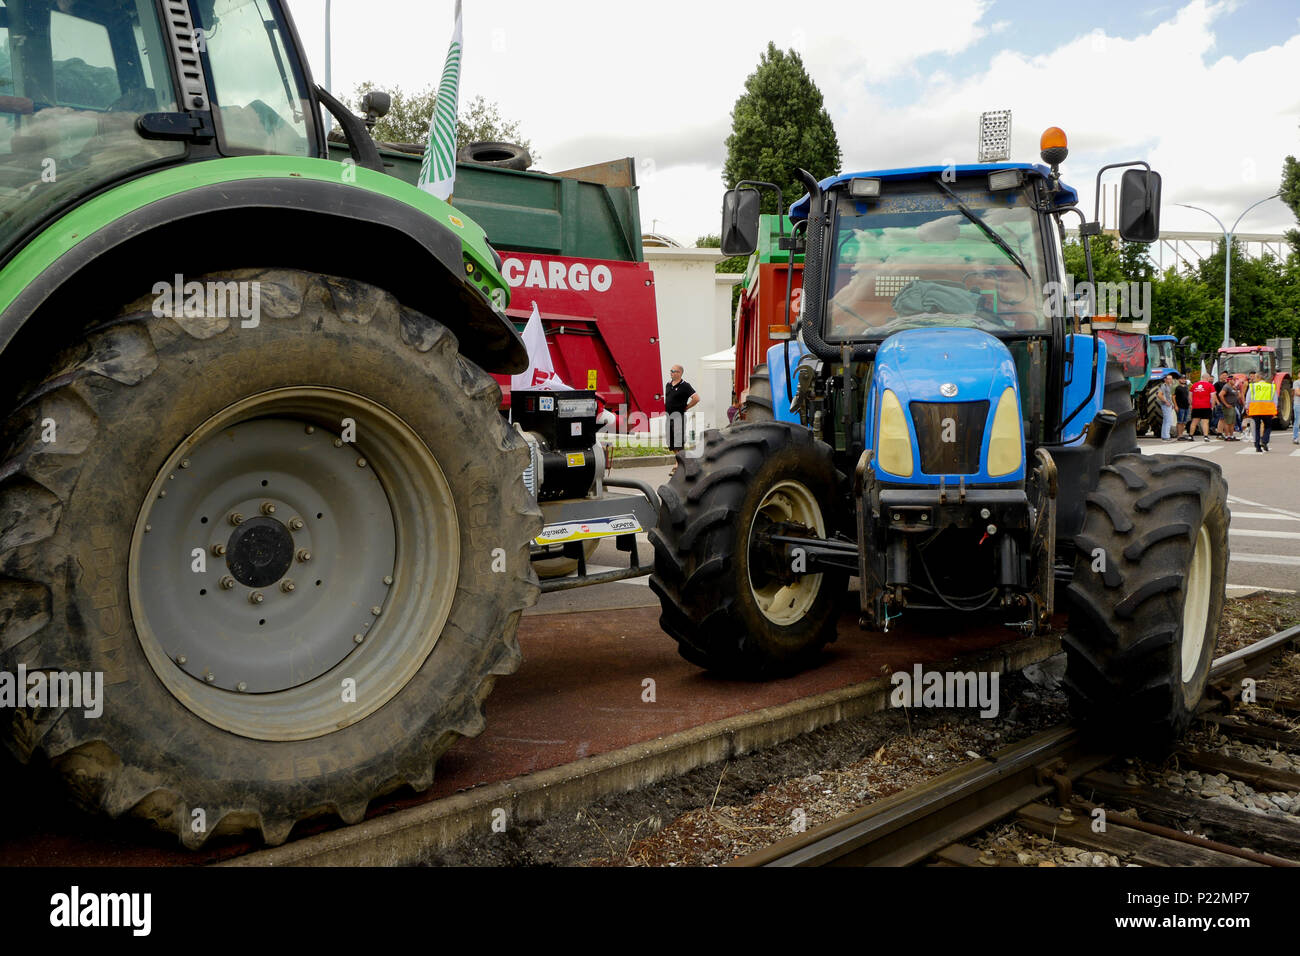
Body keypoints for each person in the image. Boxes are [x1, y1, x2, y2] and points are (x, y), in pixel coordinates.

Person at [664, 363, 699, 462]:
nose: (671, 373)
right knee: (671, 442)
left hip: (678, 417)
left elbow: (696, 398)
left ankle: (679, 464)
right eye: (671, 371)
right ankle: (679, 462)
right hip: (668, 417)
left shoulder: (685, 386)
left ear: (679, 373)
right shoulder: (668, 385)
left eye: (673, 371)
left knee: (678, 442)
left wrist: (686, 407)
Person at [1245, 371, 1277, 453]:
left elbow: (1248, 398)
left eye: (1255, 377)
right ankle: (1265, 441)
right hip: (1268, 410)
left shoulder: (1253, 386)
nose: (1254, 379)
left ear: (1259, 377)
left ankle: (1257, 446)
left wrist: (1247, 408)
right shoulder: (1271, 387)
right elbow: (1275, 399)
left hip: (1256, 410)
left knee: (1256, 428)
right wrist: (1275, 410)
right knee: (1268, 427)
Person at [1189, 374, 1215, 441]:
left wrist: (1191, 404)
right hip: (1206, 406)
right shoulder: (1210, 385)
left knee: (1194, 422)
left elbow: (1190, 396)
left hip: (1196, 406)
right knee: (1205, 422)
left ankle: (1190, 436)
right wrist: (1212, 406)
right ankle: (1205, 436)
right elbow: (1213, 397)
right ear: (1208, 378)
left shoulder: (1194, 385)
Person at [1219, 376, 1240, 441]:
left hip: (1233, 406)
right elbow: (1220, 395)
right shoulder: (1226, 386)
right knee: (1228, 421)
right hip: (1228, 406)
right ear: (1229, 380)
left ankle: (1231, 435)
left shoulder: (1233, 387)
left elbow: (1238, 396)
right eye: (1233, 380)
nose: (1235, 381)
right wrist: (1226, 404)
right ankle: (1227, 436)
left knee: (1233, 422)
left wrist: (1236, 389)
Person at [1157, 372, 1177, 441]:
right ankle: (1166, 436)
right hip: (1165, 405)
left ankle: (1164, 435)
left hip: (1169, 405)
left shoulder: (1170, 386)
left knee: (1166, 421)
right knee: (1168, 421)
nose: (1170, 380)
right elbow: (1159, 395)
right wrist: (1166, 401)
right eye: (1169, 379)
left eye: (1171, 379)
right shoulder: (1164, 386)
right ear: (1165, 380)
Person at [1174, 375, 1192, 440]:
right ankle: (1179, 435)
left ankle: (1182, 434)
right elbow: (1173, 397)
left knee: (1184, 421)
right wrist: (1176, 405)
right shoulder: (1177, 388)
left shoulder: (1186, 388)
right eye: (1182, 379)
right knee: (1180, 421)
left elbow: (1188, 397)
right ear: (1179, 380)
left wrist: (1190, 404)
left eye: (1184, 379)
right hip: (1180, 406)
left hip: (1186, 406)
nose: (1183, 380)